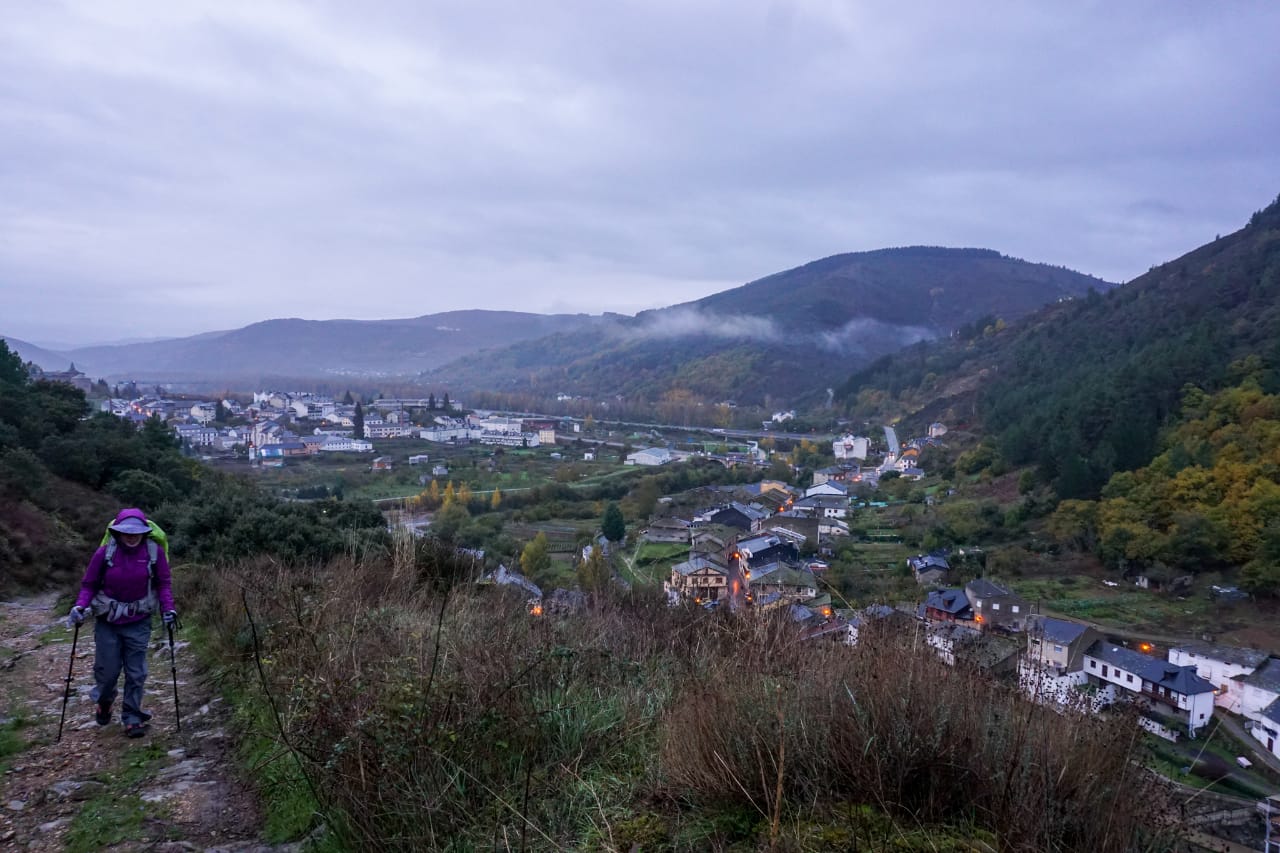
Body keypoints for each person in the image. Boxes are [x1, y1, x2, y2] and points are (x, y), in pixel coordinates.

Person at [66, 508, 176, 738]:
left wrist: (169, 609)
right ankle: (104, 702)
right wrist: (80, 606)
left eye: (136, 532)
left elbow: (163, 584)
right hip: (108, 621)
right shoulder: (105, 553)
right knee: (107, 673)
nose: (131, 536)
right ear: (117, 532)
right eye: (126, 532)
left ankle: (132, 716)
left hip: (139, 621)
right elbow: (89, 585)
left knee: (136, 672)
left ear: (145, 533)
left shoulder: (154, 553)